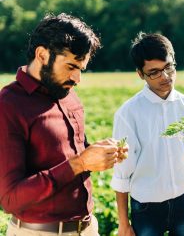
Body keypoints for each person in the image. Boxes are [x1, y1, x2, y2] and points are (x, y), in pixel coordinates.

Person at [0, 13, 128, 236]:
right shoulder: (8, 105)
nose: (77, 78)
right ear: (42, 54)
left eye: (81, 69)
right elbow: (10, 199)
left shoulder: (68, 94)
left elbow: (76, 156)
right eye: (70, 66)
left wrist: (99, 155)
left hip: (88, 228)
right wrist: (78, 164)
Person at [111, 32, 184, 236]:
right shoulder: (128, 113)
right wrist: (123, 223)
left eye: (169, 67)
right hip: (145, 207)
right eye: (154, 72)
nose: (165, 77)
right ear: (140, 73)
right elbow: (122, 171)